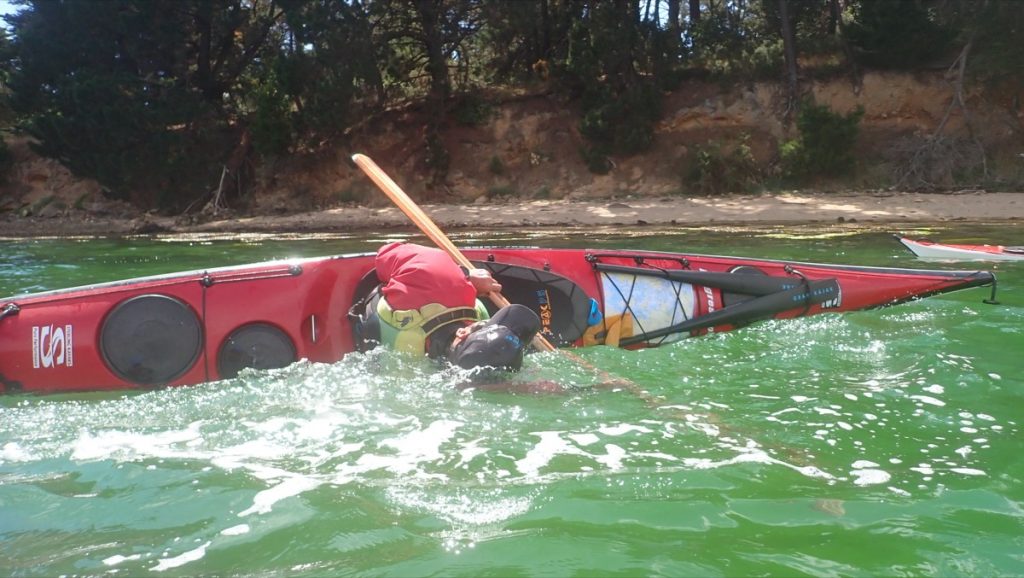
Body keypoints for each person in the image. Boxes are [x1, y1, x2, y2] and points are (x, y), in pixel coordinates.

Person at [367, 242, 542, 375]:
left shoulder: (432, 274)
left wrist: (465, 276)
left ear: (462, 333)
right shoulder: (427, 375)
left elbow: (385, 253)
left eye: (487, 324)